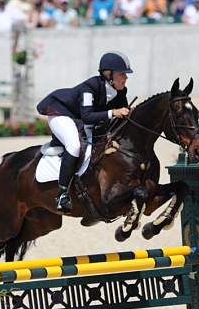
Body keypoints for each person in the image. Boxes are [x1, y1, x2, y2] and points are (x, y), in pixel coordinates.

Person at [36, 52, 132, 212]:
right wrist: (113, 112)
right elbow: (87, 116)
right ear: (109, 75)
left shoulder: (120, 92)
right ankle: (62, 194)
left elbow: (122, 116)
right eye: (122, 74)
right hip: (61, 112)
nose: (125, 78)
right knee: (73, 146)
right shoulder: (90, 87)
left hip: (79, 119)